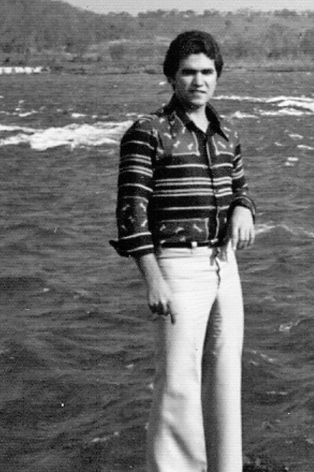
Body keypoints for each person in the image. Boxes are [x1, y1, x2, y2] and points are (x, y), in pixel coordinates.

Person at [112, 30, 256, 472]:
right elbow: (130, 210)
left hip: (222, 264)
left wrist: (244, 209)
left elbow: (241, 188)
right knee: (177, 382)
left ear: (218, 76)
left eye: (207, 72)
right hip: (176, 265)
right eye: (189, 72)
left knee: (224, 374)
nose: (199, 81)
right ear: (171, 77)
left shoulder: (225, 132)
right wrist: (152, 277)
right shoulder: (147, 132)